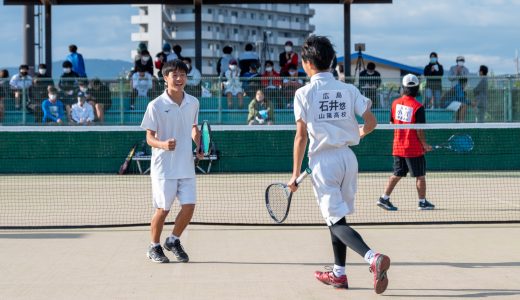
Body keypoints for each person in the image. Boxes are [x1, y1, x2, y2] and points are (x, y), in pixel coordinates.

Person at [289, 35, 390, 294]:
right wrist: (359, 133)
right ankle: (339, 274)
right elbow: (371, 123)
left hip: (323, 163)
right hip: (348, 159)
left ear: (307, 63)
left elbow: (301, 137)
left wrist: (293, 175)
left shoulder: (303, 93)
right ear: (331, 60)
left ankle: (372, 258)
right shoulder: (348, 89)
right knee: (336, 217)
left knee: (335, 221)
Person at [140, 59, 203, 263]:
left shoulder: (193, 102)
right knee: (163, 210)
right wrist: (163, 144)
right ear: (165, 78)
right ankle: (154, 246)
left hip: (186, 165)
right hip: (164, 168)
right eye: (174, 75)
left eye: (182, 75)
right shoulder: (155, 105)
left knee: (189, 206)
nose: (179, 79)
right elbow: (149, 137)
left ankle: (173, 240)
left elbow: (194, 128)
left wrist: (199, 143)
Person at [377, 74, 434, 212]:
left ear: (403, 88)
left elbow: (392, 123)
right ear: (417, 88)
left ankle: (384, 198)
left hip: (398, 146)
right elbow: (419, 130)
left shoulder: (395, 104)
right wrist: (425, 144)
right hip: (413, 148)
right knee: (420, 175)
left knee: (397, 173)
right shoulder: (418, 107)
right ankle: (422, 202)